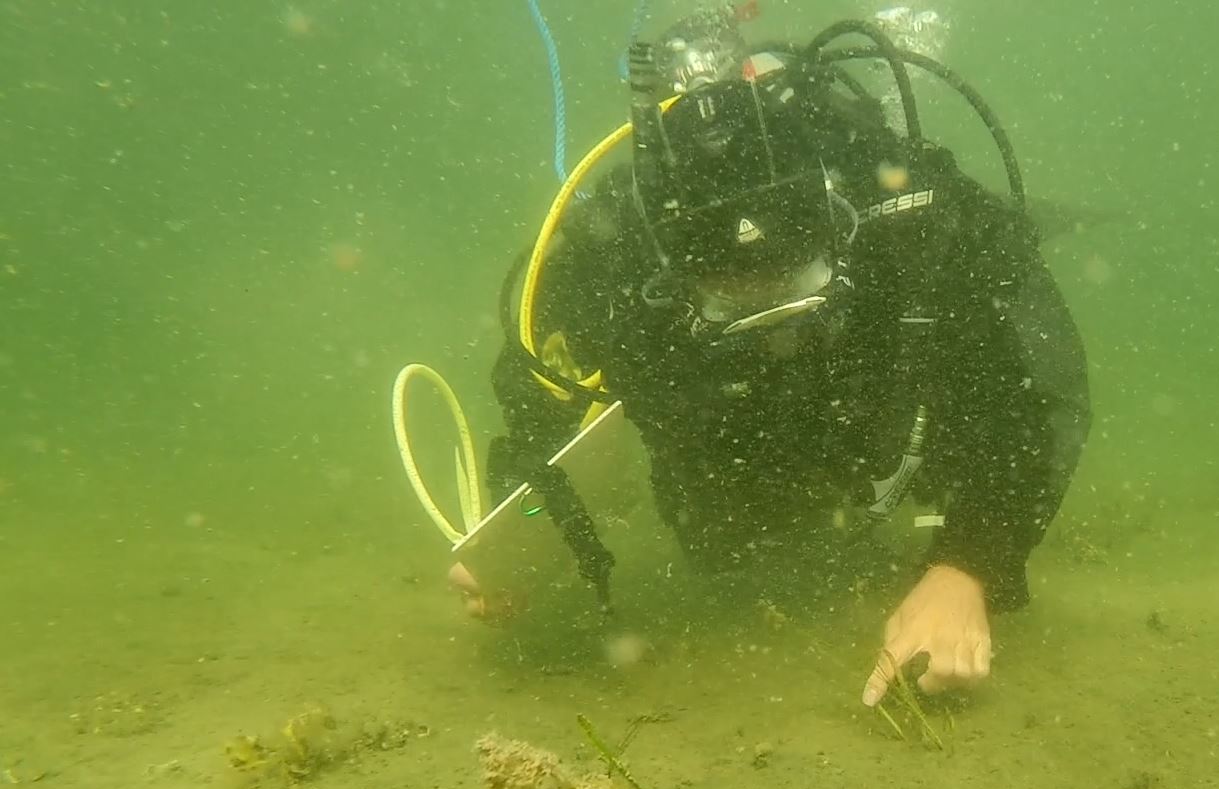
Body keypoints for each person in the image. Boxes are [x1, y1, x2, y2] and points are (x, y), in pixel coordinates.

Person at [451, 5, 1091, 709]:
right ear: (667, 262)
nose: (775, 325)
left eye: (796, 280)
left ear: (831, 214)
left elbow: (1032, 397)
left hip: (883, 431)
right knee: (723, 551)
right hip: (728, 490)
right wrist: (520, 537)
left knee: (969, 357)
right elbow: (535, 405)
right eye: (730, 297)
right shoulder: (610, 255)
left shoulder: (905, 213)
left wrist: (968, 565)